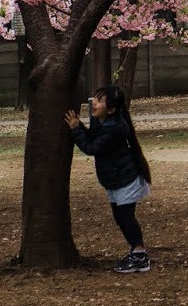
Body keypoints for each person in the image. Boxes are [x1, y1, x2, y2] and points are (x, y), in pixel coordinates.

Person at [64, 85, 154, 274]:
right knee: (120, 217)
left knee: (126, 217)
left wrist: (75, 130)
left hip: (125, 178)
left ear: (112, 109)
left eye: (100, 100)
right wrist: (79, 126)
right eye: (95, 98)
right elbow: (92, 137)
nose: (94, 103)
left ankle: (140, 255)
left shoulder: (115, 128)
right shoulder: (100, 121)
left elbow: (91, 147)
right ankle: (136, 252)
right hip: (114, 178)